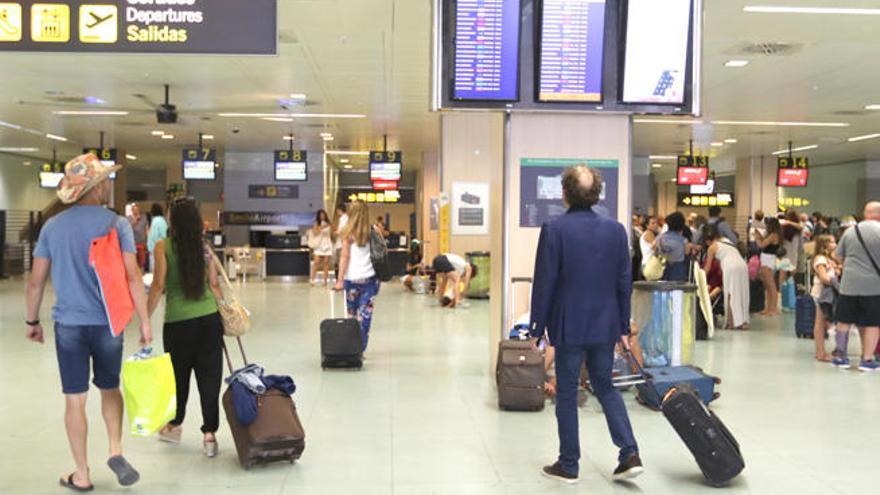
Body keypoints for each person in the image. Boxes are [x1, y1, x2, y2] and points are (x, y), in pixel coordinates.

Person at [25, 154, 151, 491]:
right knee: (109, 386)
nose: (110, 184)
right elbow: (133, 276)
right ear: (95, 187)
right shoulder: (116, 224)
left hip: (69, 324)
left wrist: (32, 320)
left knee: (74, 398)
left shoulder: (53, 226)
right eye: (106, 180)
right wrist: (145, 323)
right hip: (109, 323)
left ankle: (81, 474)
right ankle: (115, 449)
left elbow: (36, 281)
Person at [530, 165, 641, 485]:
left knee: (566, 392)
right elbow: (624, 282)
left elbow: (545, 282)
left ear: (564, 194)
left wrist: (536, 329)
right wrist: (622, 324)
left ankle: (569, 464)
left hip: (569, 324)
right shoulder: (616, 230)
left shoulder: (554, 228)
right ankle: (629, 453)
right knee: (605, 385)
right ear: (596, 194)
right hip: (605, 323)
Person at [147, 197, 225, 457]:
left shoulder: (163, 247)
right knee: (209, 377)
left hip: (178, 323)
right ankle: (210, 435)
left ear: (173, 220)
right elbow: (214, 285)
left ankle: (175, 425)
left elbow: (158, 285)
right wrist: (223, 312)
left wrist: (145, 318)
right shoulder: (204, 247)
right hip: (209, 320)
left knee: (178, 377)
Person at [831, 202, 880, 371]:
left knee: (844, 321)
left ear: (866, 213)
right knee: (873, 323)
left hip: (848, 285)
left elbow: (836, 256)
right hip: (873, 287)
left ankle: (841, 356)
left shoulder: (851, 231)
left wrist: (851, 265)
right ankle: (866, 360)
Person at [334, 201, 381, 352]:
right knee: (365, 318)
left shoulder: (347, 232)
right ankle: (360, 349)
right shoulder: (373, 230)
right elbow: (381, 253)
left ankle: (352, 349)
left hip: (351, 280)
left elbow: (344, 257)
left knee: (352, 316)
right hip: (370, 281)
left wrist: (340, 280)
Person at [702, 225, 750, 329]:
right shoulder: (727, 241)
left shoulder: (712, 247)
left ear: (707, 240)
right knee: (742, 293)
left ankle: (731, 323)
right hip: (742, 265)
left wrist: (700, 277)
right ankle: (743, 321)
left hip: (730, 267)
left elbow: (708, 268)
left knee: (730, 294)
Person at [811, 235, 839, 362]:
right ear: (824, 245)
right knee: (820, 323)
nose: (836, 244)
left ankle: (821, 351)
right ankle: (820, 353)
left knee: (822, 323)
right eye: (832, 242)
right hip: (821, 294)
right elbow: (823, 277)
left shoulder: (829, 259)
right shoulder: (820, 259)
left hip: (826, 294)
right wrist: (835, 283)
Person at [754, 217, 782, 316]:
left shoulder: (774, 235)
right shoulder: (772, 235)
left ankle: (773, 309)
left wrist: (757, 237)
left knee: (771, 286)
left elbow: (761, 245)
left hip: (768, 260)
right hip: (766, 259)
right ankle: (768, 308)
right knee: (767, 286)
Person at [656, 212, 690, 282]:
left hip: (661, 268)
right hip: (678, 270)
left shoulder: (659, 238)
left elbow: (656, 251)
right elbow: (687, 254)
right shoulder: (684, 240)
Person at [780, 210, 804, 292]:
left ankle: (782, 295)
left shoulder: (783, 228)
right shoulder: (798, 231)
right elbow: (801, 247)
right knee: (791, 279)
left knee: (782, 278)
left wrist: (787, 222)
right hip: (793, 256)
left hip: (784, 256)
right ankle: (790, 296)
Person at [309, 209, 333, 286]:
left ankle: (325, 281)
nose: (322, 216)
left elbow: (332, 232)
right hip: (319, 244)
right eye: (321, 215)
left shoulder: (329, 223)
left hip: (327, 244)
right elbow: (315, 232)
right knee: (316, 262)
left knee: (326, 263)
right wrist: (322, 227)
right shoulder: (316, 223)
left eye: (323, 214)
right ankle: (312, 280)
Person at [127, 203, 149, 271]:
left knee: (142, 262)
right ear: (132, 210)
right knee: (133, 262)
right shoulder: (128, 218)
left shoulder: (144, 217)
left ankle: (142, 276)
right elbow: (128, 229)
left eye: (138, 210)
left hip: (142, 243)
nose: (136, 211)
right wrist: (135, 220)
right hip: (132, 244)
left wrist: (147, 241)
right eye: (135, 210)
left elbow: (146, 229)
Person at [147, 203, 168, 273]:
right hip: (157, 249)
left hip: (156, 249)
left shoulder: (157, 220)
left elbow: (155, 236)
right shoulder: (161, 220)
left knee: (156, 271)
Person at [333, 203, 349, 270]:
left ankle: (341, 279)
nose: (337, 213)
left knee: (341, 263)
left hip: (342, 244)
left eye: (337, 211)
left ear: (339, 210)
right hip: (342, 243)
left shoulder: (344, 218)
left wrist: (335, 232)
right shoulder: (345, 218)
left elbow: (342, 231)